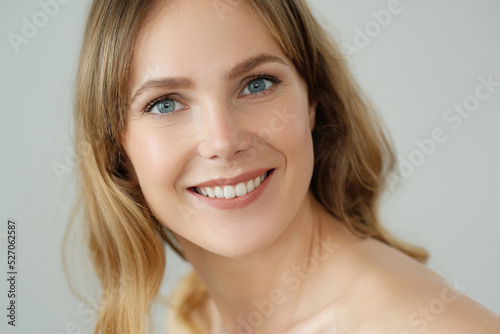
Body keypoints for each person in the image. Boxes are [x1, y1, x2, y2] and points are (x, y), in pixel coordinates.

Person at [71, 0, 500, 333]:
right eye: (165, 103)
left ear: (312, 100)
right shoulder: (194, 314)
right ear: (118, 151)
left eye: (257, 84)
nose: (223, 142)